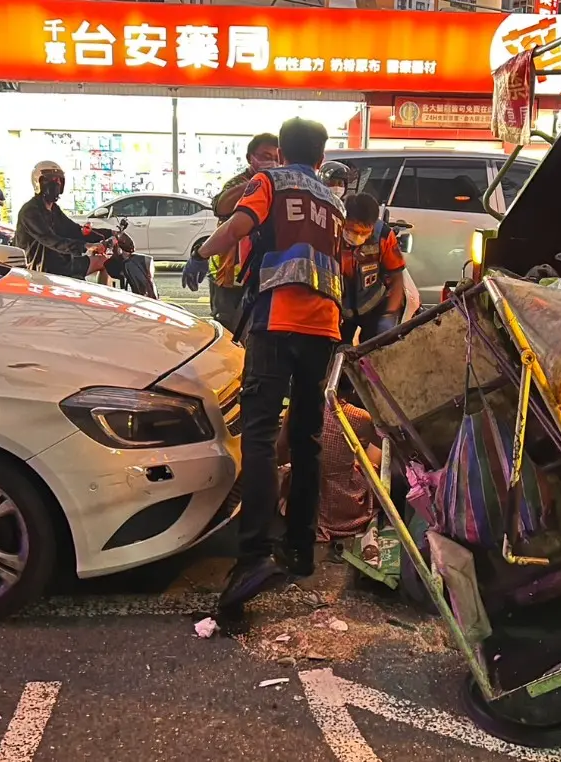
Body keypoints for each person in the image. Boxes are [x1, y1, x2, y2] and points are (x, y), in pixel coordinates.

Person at [186, 117, 345, 611]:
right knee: (307, 438)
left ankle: (253, 553)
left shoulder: (269, 181)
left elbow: (238, 224)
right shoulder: (333, 200)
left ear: (281, 152)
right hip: (325, 327)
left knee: (257, 435)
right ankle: (300, 550)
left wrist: (200, 252)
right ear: (320, 157)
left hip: (277, 320)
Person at [205, 133, 280, 332]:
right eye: (265, 156)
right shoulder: (236, 184)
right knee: (226, 331)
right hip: (229, 274)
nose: (271, 161)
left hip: (261, 275)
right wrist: (256, 184)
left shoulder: (278, 186)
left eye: (275, 158)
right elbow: (221, 207)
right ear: (250, 158)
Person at [13, 160, 109, 278]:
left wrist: (106, 235)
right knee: (102, 262)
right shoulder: (30, 211)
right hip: (42, 269)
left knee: (104, 260)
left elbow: (72, 229)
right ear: (40, 182)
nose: (57, 183)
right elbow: (49, 239)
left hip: (61, 262)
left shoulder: (54, 209)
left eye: (59, 180)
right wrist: (85, 246)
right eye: (52, 180)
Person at [339, 193, 407, 345]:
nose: (358, 236)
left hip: (374, 305)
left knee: (374, 356)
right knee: (335, 356)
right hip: (340, 310)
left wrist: (389, 315)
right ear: (344, 220)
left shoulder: (383, 235)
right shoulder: (331, 233)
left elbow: (397, 277)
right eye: (353, 230)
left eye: (364, 232)